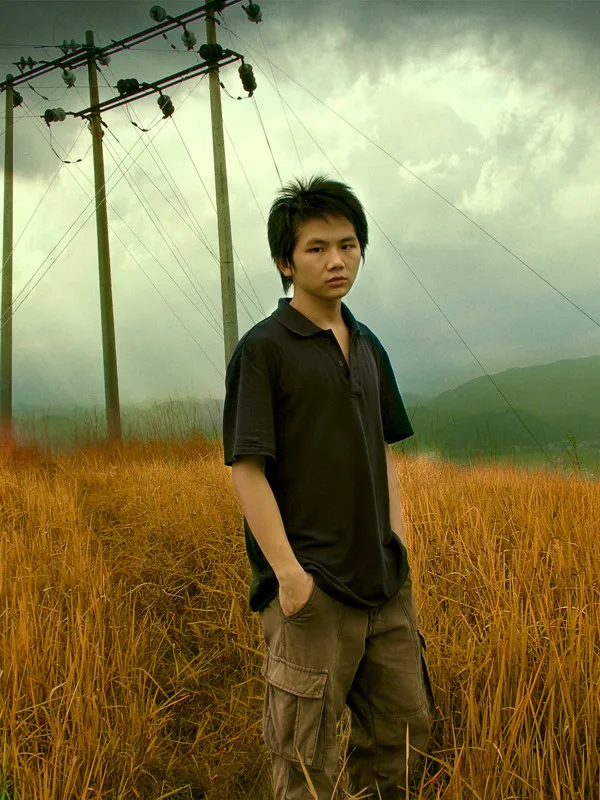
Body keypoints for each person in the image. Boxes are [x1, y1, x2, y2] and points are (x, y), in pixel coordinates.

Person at [223, 175, 434, 799]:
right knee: (304, 759)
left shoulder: (366, 344)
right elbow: (247, 468)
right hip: (312, 591)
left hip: (383, 583)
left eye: (348, 244)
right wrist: (290, 577)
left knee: (404, 734)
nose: (336, 260)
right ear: (285, 263)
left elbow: (382, 450)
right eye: (316, 248)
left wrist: (397, 540)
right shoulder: (263, 351)